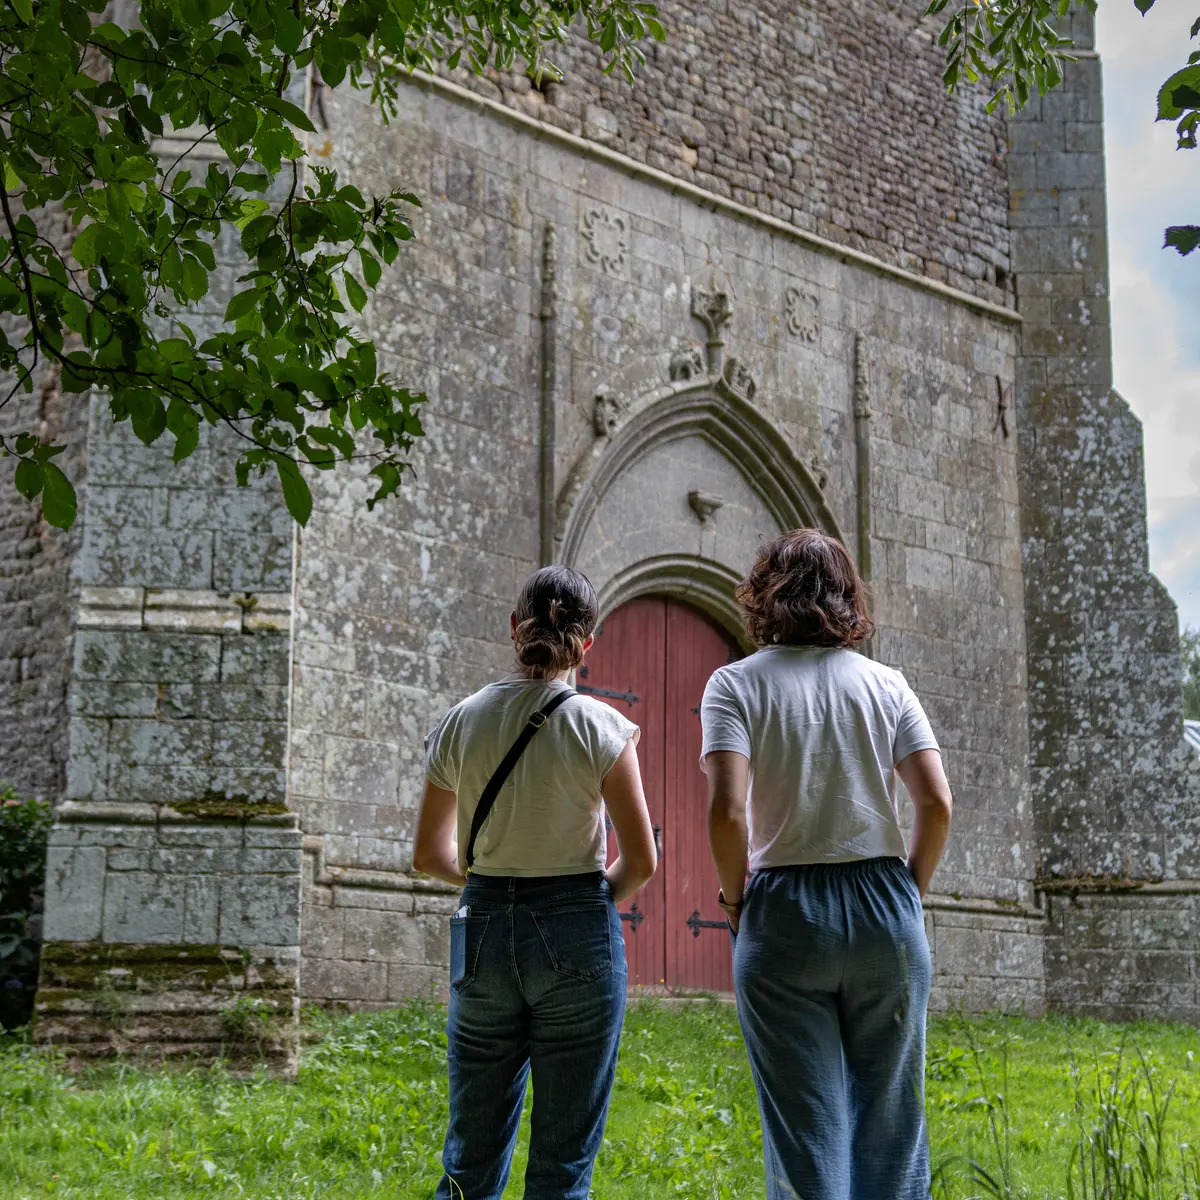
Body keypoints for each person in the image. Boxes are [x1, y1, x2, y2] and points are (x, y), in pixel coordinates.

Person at [702, 529, 953, 1200]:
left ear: (764, 595)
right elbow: (937, 803)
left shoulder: (733, 686)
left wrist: (734, 904)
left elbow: (727, 813)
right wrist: (908, 892)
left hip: (784, 909)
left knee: (803, 1131)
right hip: (883, 902)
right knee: (893, 1123)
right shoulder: (887, 685)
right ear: (846, 597)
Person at [413, 565, 658, 1200]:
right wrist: (588, 903)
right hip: (576, 923)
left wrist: (492, 876)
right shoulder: (601, 727)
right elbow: (641, 860)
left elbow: (427, 854)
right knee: (562, 1163)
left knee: (470, 1155)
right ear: (587, 645)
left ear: (514, 628)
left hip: (485, 926)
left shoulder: (460, 721)